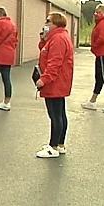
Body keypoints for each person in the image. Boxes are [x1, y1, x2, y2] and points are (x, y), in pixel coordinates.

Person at [34, 12, 74, 158]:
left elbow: (54, 62)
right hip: (59, 81)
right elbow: (46, 53)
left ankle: (53, 146)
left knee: (55, 115)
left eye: (48, 21)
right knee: (60, 113)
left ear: (55, 24)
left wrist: (44, 79)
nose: (45, 24)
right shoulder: (57, 37)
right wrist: (43, 40)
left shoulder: (58, 39)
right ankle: (60, 143)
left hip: (55, 82)